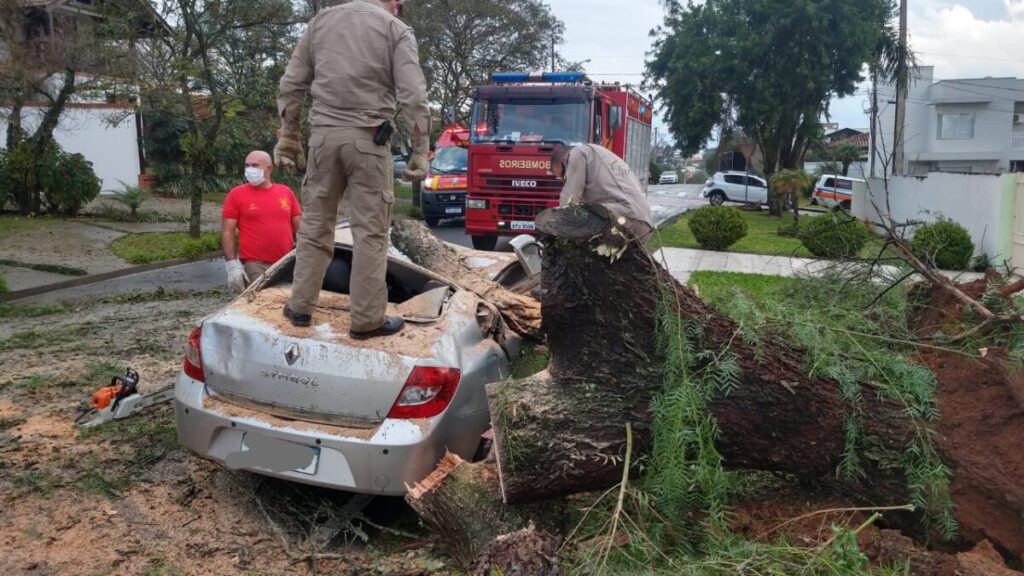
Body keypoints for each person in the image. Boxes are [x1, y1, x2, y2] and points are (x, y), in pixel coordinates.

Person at [274, 0, 430, 339]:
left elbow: (291, 84)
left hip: (322, 141)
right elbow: (414, 95)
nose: (400, 9)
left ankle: (299, 307)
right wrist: (420, 150)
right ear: (393, 2)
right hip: (369, 143)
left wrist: (289, 138)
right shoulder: (395, 29)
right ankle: (367, 320)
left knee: (315, 227)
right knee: (370, 234)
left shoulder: (320, 23)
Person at [221, 151, 302, 292]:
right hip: (255, 265)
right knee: (259, 304)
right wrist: (232, 264)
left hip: (286, 262)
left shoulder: (286, 192)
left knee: (286, 303)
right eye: (247, 165)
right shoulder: (236, 195)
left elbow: (300, 227)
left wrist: (305, 254)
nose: (249, 169)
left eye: (254, 165)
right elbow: (227, 231)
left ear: (269, 168)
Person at [551, 144, 654, 242]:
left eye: (564, 175)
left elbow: (570, 198)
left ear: (564, 161)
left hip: (627, 215)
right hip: (642, 220)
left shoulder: (577, 153)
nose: (566, 178)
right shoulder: (595, 154)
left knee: (584, 214)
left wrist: (560, 227)